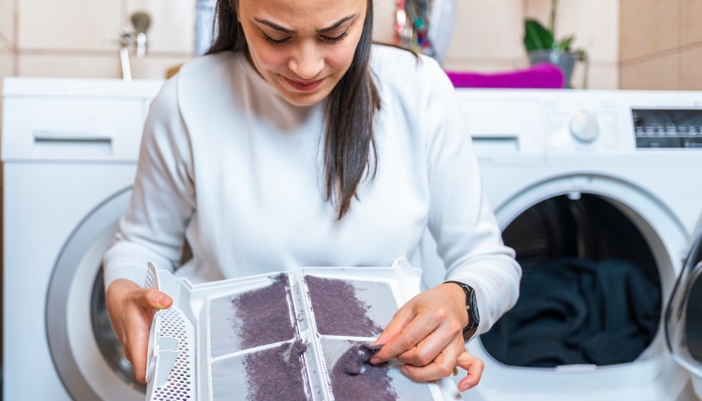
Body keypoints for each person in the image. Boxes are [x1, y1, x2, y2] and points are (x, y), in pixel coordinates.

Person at [102, 0, 522, 394]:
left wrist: (459, 300)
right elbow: (143, 243)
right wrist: (123, 294)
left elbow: (489, 261)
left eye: (334, 34)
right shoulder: (186, 98)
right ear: (235, 9)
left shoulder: (419, 90)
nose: (306, 66)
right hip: (232, 382)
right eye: (275, 36)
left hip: (381, 383)